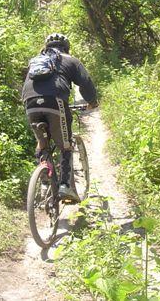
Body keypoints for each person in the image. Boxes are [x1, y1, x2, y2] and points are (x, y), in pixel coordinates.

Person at [22, 33, 98, 201]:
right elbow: (85, 82)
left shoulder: (36, 61)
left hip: (30, 103)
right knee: (65, 145)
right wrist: (92, 101)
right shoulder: (70, 60)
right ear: (66, 47)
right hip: (55, 102)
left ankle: (44, 182)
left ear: (46, 47)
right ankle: (65, 186)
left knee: (42, 143)